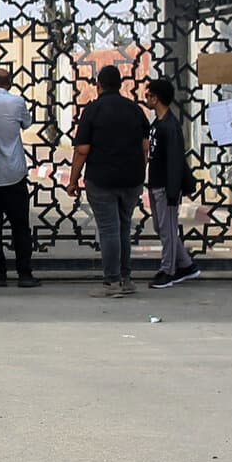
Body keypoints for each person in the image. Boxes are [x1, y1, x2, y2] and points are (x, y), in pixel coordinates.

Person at [67, 63, 150, 297]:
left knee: (109, 229)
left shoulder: (93, 110)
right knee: (124, 226)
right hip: (132, 179)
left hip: (102, 179)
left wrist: (73, 181)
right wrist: (138, 171)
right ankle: (125, 278)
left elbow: (82, 149)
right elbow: (145, 147)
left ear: (98, 85)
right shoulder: (135, 110)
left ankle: (112, 282)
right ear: (121, 85)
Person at [0, 67, 40, 289]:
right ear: (9, 84)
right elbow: (26, 124)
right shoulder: (17, 102)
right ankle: (24, 274)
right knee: (20, 227)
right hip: (14, 173)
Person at [144, 76, 199, 289]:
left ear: (157, 99)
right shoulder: (158, 123)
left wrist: (172, 189)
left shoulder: (170, 126)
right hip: (155, 183)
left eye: (149, 95)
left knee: (167, 230)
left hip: (166, 186)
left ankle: (168, 271)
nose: (146, 98)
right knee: (161, 227)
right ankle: (186, 265)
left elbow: (175, 160)